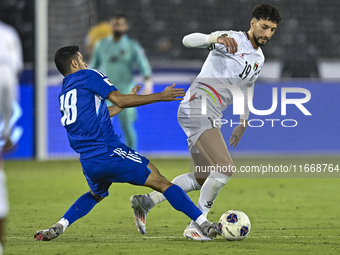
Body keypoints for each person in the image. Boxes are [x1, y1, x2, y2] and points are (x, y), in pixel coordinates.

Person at [34, 46, 219, 242]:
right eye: (81, 59)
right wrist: (160, 96)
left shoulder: (65, 92)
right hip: (109, 152)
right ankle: (204, 225)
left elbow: (101, 114)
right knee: (162, 183)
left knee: (96, 194)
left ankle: (59, 225)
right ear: (74, 63)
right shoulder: (89, 75)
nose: (85, 63)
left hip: (89, 162)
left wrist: (123, 103)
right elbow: (120, 100)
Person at [130, 4, 281, 241]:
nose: (267, 34)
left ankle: (146, 202)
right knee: (225, 167)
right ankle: (197, 224)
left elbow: (247, 88)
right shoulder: (231, 39)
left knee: (202, 178)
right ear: (252, 23)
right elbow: (188, 40)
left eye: (272, 29)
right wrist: (215, 38)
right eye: (264, 27)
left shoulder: (259, 58)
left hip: (210, 112)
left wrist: (243, 120)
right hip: (198, 106)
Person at [89, 14, 153, 150]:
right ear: (111, 26)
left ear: (125, 27)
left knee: (127, 125)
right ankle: (105, 155)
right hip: (105, 90)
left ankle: (133, 156)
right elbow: (92, 66)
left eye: (120, 24)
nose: (117, 27)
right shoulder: (101, 44)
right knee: (103, 123)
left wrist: (148, 83)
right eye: (114, 24)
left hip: (125, 89)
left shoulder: (132, 45)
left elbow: (144, 65)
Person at [0, 20, 23, 255]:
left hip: (6, 70)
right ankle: (6, 135)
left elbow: (15, 59)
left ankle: (6, 135)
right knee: (8, 111)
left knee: (8, 111)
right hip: (6, 71)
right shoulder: (9, 31)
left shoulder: (9, 30)